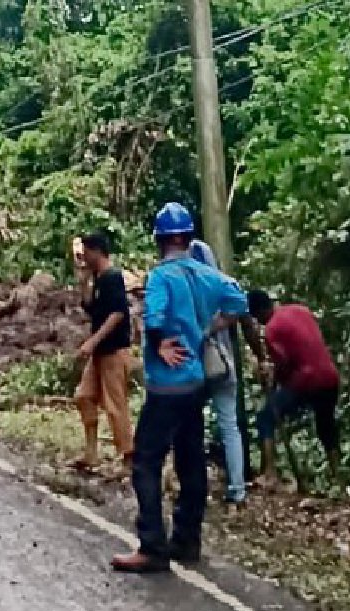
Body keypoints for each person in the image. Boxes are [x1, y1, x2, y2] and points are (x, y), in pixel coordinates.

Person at [111, 202, 248, 573]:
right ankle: (187, 540)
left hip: (167, 385)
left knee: (146, 461)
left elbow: (154, 317)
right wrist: (209, 328)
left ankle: (152, 545)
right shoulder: (207, 275)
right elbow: (240, 301)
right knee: (190, 460)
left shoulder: (160, 277)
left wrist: (159, 345)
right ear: (188, 237)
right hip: (196, 382)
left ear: (159, 239)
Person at [187, 240, 270, 507]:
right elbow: (248, 325)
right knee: (229, 425)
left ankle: (193, 485)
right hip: (224, 365)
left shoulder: (186, 287)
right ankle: (237, 489)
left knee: (190, 425)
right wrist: (261, 357)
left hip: (196, 366)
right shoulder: (224, 284)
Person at [246, 290, 341, 487]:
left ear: (260, 312)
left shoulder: (272, 328)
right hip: (330, 377)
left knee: (265, 417)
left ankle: (270, 472)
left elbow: (283, 363)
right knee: (326, 426)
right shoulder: (301, 310)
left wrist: (270, 377)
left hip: (308, 381)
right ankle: (338, 477)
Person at [71, 233, 135, 473]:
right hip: (100, 352)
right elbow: (90, 307)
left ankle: (129, 457)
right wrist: (83, 279)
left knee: (115, 404)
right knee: (84, 397)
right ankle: (91, 453)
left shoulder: (112, 277)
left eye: (86, 252)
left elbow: (118, 313)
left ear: (97, 251)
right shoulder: (98, 278)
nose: (84, 256)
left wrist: (92, 342)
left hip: (113, 350)